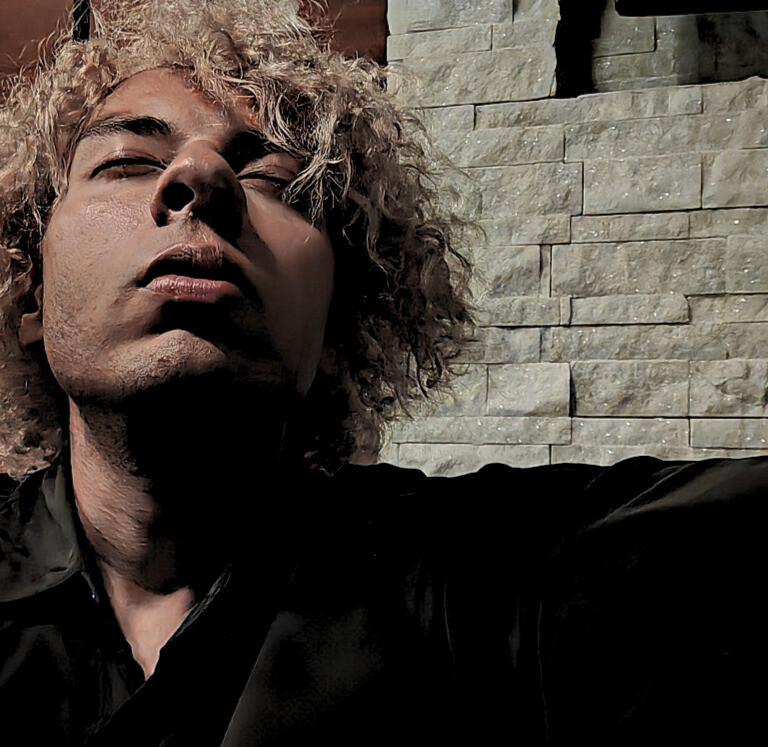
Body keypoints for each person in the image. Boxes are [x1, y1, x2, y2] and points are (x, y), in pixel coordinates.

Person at [0, 1, 764, 745]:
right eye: (128, 161)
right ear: (29, 294)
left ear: (338, 315)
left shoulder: (481, 581)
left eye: (276, 179)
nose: (201, 174)